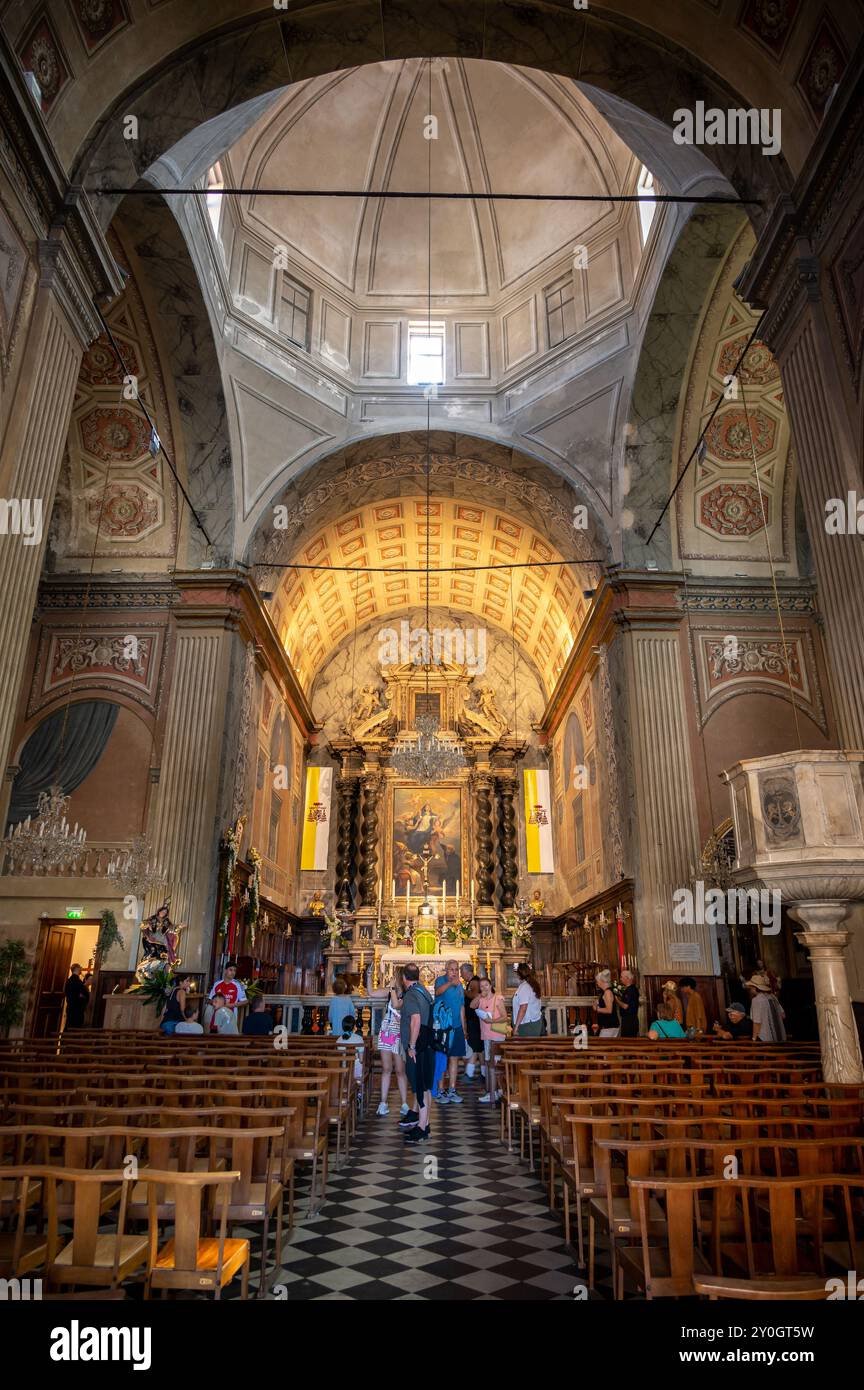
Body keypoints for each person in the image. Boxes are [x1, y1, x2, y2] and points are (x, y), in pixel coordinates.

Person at [399, 963, 435, 1144]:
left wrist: (411, 1046)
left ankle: (421, 1128)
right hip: (427, 1044)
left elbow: (415, 1020)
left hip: (418, 1047)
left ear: (404, 977)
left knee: (419, 1088)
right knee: (426, 1086)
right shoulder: (423, 991)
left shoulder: (412, 994)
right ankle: (425, 1123)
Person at [433, 959, 467, 1104]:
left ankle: (452, 1089)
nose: (454, 972)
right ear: (446, 970)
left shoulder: (460, 985)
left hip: (457, 1026)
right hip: (443, 1027)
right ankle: (441, 1091)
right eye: (451, 969)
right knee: (442, 1059)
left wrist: (464, 1027)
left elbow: (461, 1007)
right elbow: (437, 992)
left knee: (454, 1059)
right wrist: (449, 983)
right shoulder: (440, 980)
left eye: (456, 969)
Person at [376, 974, 409, 1117]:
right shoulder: (391, 991)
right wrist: (370, 976)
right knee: (386, 1068)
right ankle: (383, 1103)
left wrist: (393, 988)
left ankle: (404, 1103)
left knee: (400, 1070)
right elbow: (371, 992)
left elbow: (398, 1006)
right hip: (386, 1031)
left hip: (399, 1033)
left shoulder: (408, 995)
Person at [471, 976, 507, 1102]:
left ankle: (499, 1091)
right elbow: (471, 1005)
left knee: (496, 1065)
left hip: (497, 1035)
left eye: (486, 985)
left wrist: (492, 1020)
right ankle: (492, 1092)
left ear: (491, 985)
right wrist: (480, 995)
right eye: (481, 986)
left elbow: (504, 1017)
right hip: (486, 1036)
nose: (484, 988)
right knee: (488, 1064)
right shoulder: (481, 1000)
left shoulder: (498, 998)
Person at [747, 973, 787, 1042]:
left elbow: (757, 1023)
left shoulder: (756, 1000)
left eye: (750, 987)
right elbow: (783, 1015)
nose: (750, 989)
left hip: (765, 1039)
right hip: (781, 1038)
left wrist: (754, 1039)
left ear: (754, 988)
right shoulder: (773, 997)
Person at [461, 964, 483, 1078]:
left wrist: (464, 992)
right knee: (478, 1047)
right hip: (473, 1019)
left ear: (467, 972)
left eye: (461, 972)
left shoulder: (474, 981)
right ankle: (481, 1073)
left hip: (474, 1020)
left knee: (476, 1046)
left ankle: (470, 1074)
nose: (460, 974)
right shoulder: (472, 982)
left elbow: (475, 994)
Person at [512, 962, 544, 1037]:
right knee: (531, 1047)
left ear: (519, 975)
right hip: (532, 1022)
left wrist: (516, 1028)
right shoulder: (532, 984)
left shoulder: (525, 987)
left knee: (524, 1047)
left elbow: (523, 1008)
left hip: (527, 1024)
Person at [337, 1012, 365, 1088]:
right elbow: (361, 1059)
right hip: (355, 1072)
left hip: (342, 1070)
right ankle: (359, 1091)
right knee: (360, 1065)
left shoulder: (338, 1040)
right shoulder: (359, 1039)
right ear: (354, 1026)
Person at [592, 969, 620, 1038]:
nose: (597, 983)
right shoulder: (605, 992)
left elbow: (609, 1010)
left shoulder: (607, 992)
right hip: (608, 1026)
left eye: (597, 981)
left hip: (609, 1026)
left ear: (602, 981)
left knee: (602, 1047)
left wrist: (597, 1009)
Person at [63, 964, 89, 1029]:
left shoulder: (69, 981)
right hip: (77, 1009)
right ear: (77, 968)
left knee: (68, 1025)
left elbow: (66, 993)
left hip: (70, 1007)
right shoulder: (77, 981)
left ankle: (64, 1039)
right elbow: (84, 994)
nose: (81, 969)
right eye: (80, 967)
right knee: (75, 1027)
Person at [617, 969, 640, 1038]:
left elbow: (625, 1006)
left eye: (621, 977)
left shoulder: (630, 990)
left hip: (629, 1021)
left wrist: (616, 1000)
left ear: (627, 978)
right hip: (629, 1020)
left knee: (628, 1042)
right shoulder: (631, 989)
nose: (620, 979)